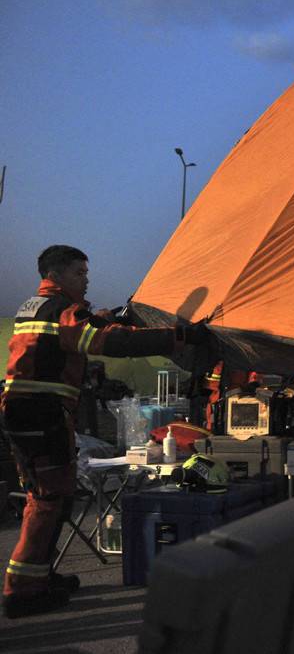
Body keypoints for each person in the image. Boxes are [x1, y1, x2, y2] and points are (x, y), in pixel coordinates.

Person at [2, 245, 210, 618]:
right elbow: (112, 342)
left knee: (56, 496)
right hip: (41, 414)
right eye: (80, 272)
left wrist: (96, 320)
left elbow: (66, 340)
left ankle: (40, 577)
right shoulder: (63, 312)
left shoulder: (38, 307)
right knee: (47, 500)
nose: (87, 279)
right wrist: (178, 337)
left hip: (30, 412)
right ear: (59, 274)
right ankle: (21, 592)